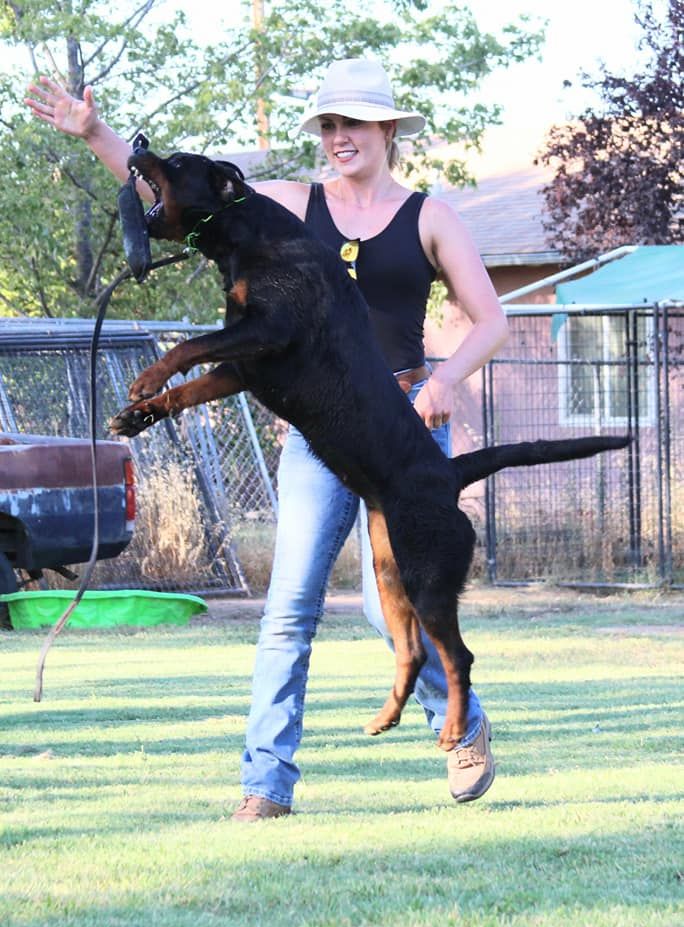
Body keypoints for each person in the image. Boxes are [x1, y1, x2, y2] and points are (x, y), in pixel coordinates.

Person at [26, 58, 509, 821]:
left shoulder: (429, 217)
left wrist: (445, 381)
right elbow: (173, 194)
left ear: (388, 129)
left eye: (355, 124)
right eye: (329, 125)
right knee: (288, 610)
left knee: (388, 610)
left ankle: (463, 725)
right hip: (319, 438)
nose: (340, 137)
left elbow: (491, 320)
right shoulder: (292, 202)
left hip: (403, 429)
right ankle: (267, 785)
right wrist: (95, 133)